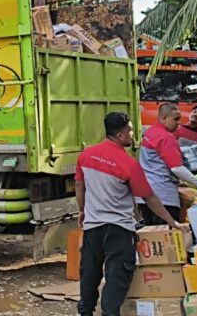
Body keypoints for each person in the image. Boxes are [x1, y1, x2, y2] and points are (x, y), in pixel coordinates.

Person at [74, 112, 185, 316]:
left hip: (93, 228)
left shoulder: (86, 155)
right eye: (130, 130)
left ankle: (86, 311)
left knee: (89, 274)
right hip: (119, 230)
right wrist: (172, 221)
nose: (133, 134)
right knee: (117, 277)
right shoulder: (129, 165)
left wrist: (82, 210)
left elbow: (79, 185)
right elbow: (149, 197)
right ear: (120, 135)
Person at [138, 102, 197, 225]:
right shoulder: (167, 137)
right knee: (168, 238)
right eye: (176, 119)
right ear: (164, 118)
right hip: (163, 198)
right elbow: (177, 169)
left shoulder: (150, 132)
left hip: (145, 196)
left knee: (151, 236)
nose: (178, 123)